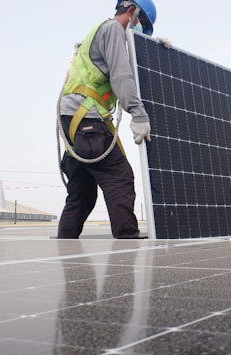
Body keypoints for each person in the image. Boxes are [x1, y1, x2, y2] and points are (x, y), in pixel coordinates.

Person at [56, 0, 157, 239]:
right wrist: (138, 114)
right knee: (119, 176)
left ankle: (65, 247)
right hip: (86, 119)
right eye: (141, 24)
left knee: (81, 193)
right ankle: (127, 239)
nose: (138, 30)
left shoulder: (96, 33)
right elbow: (121, 76)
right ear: (132, 12)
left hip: (73, 122)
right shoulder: (112, 29)